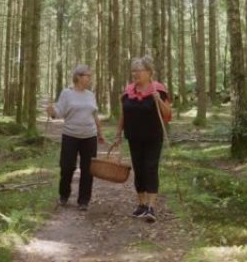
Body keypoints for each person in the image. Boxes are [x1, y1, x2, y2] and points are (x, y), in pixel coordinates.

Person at [115, 56, 172, 223]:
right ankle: (141, 204)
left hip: (153, 137)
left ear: (149, 72)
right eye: (133, 70)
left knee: (150, 168)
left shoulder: (158, 89)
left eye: (139, 70)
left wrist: (158, 100)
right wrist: (118, 133)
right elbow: (123, 114)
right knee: (138, 170)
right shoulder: (128, 91)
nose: (135, 74)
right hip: (134, 137)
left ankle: (151, 207)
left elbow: (167, 113)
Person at [46, 65, 105, 211]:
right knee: (67, 167)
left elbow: (95, 115)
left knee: (88, 169)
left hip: (89, 136)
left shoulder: (90, 95)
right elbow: (58, 113)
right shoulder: (67, 93)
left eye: (90, 76)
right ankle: (64, 195)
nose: (90, 79)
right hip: (70, 136)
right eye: (88, 76)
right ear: (78, 77)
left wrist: (100, 133)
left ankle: (83, 201)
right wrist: (52, 112)